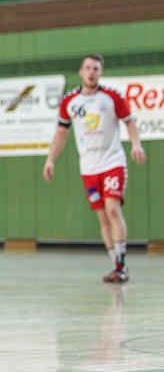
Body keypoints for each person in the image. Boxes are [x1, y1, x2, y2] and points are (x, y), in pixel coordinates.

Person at [43, 53, 145, 283]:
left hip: (112, 162)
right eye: (88, 68)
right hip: (89, 168)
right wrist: (50, 159)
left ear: (101, 72)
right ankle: (116, 265)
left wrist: (136, 145)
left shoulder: (111, 97)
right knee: (102, 217)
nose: (91, 72)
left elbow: (129, 122)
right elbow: (61, 133)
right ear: (81, 72)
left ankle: (120, 266)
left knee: (112, 209)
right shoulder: (70, 101)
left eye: (96, 69)